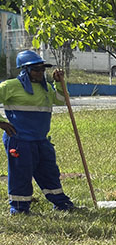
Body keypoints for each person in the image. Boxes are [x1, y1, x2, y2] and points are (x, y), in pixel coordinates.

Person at [0, 50, 76, 214]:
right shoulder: (10, 86)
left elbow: (63, 101)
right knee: (21, 174)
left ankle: (61, 204)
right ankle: (19, 208)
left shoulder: (46, 88)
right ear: (25, 70)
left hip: (41, 140)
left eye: (42, 69)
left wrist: (59, 83)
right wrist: (1, 123)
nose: (40, 72)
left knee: (49, 172)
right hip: (19, 140)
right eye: (36, 69)